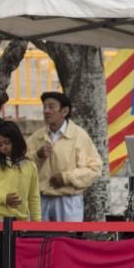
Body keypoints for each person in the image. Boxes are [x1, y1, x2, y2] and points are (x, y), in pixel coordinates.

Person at [29, 91, 102, 222]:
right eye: (44, 107)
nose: (46, 111)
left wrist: (66, 177)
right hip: (41, 200)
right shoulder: (36, 137)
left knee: (67, 239)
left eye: (51, 107)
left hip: (68, 201)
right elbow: (22, 165)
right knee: (40, 240)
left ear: (64, 111)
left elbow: (94, 169)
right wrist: (37, 155)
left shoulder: (79, 136)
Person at [0, 121, 41, 222]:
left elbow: (34, 198)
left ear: (17, 140)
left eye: (7, 142)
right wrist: (4, 199)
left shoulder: (30, 166)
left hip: (22, 221)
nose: (4, 147)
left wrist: (36, 222)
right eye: (0, 145)